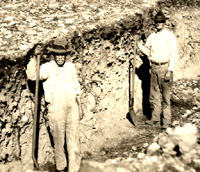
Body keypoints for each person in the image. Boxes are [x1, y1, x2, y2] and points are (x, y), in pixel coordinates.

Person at [26, 39, 82, 172]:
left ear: (66, 55)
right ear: (54, 55)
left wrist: (80, 105)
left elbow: (76, 87)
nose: (61, 57)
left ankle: (74, 169)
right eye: (58, 55)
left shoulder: (70, 67)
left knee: (74, 142)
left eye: (63, 54)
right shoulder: (47, 68)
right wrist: (34, 58)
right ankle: (61, 168)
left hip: (72, 108)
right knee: (59, 141)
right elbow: (33, 76)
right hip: (56, 110)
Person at [137, 10, 179, 129]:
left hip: (165, 67)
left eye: (161, 22)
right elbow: (148, 52)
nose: (158, 24)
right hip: (154, 67)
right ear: (154, 23)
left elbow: (174, 54)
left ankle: (166, 121)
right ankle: (155, 119)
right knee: (154, 95)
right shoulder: (152, 36)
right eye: (156, 22)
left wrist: (170, 70)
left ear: (164, 23)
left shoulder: (169, 36)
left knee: (165, 97)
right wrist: (139, 45)